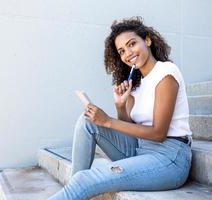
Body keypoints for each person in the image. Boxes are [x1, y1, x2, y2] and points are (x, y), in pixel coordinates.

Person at [48, 16, 192, 200]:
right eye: (122, 51)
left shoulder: (166, 73)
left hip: (170, 159)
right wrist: (120, 106)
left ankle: (77, 188)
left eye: (132, 44)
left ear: (147, 40)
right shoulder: (136, 84)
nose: (128, 53)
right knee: (87, 121)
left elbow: (158, 133)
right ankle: (75, 189)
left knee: (86, 180)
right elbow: (130, 130)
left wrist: (108, 121)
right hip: (141, 150)